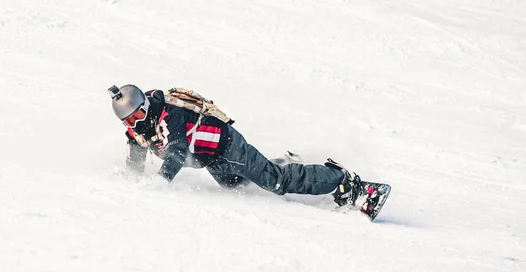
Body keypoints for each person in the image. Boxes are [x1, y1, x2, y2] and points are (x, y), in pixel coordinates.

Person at [109, 84, 363, 206]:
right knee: (238, 185)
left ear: (145, 107)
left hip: (228, 145)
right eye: (128, 121)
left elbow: (176, 151)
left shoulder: (169, 113)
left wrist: (162, 180)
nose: (134, 123)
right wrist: (131, 180)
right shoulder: (137, 132)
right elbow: (135, 161)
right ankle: (286, 162)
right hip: (211, 159)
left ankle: (344, 182)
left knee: (276, 182)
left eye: (137, 116)